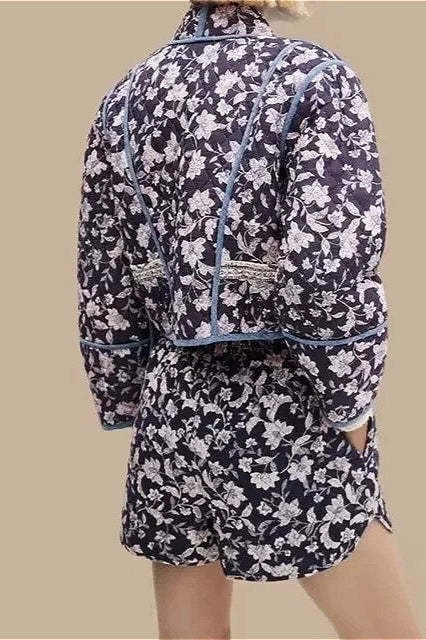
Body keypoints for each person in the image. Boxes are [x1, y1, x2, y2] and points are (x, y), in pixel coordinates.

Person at [76, 1, 421, 637]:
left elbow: (105, 272)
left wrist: (124, 391)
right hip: (285, 403)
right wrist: (350, 402)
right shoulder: (312, 78)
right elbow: (325, 268)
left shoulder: (126, 96)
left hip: (171, 410)